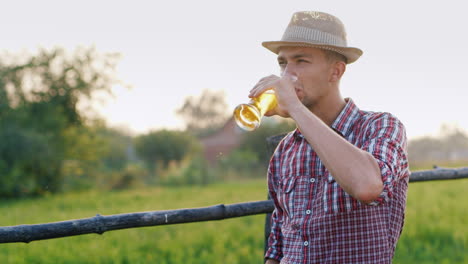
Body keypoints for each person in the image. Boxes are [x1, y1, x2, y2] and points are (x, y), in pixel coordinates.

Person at [249, 11, 409, 264]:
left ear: (336, 71)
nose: (287, 74)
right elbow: (279, 241)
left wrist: (295, 108)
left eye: (301, 61)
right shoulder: (286, 149)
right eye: (282, 63)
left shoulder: (380, 126)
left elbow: (367, 187)